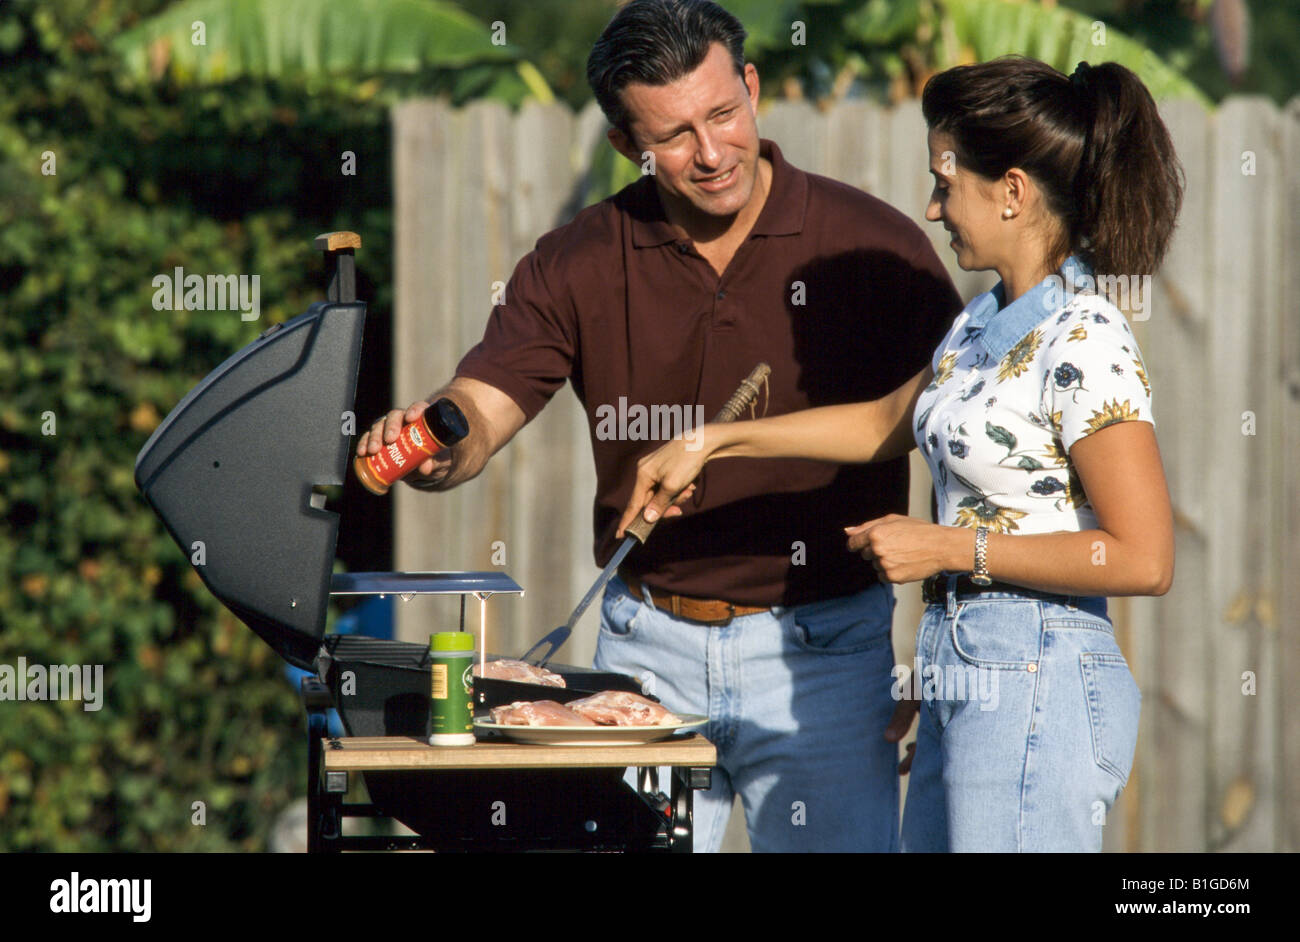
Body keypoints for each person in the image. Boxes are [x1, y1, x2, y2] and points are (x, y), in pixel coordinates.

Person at [357, 0, 962, 852]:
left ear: (752, 88)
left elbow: (958, 447)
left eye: (723, 114)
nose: (712, 154)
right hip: (644, 652)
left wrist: (926, 652)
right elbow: (483, 408)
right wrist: (435, 443)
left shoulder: (872, 245)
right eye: (674, 135)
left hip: (829, 651)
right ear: (624, 146)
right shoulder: (576, 260)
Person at [618, 56, 1182, 852]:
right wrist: (716, 440)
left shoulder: (1085, 337)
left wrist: (945, 548)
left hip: (1041, 677)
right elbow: (888, 418)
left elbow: (1144, 558)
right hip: (969, 672)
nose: (932, 206)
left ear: (1012, 191)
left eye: (945, 183)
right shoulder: (983, 322)